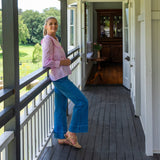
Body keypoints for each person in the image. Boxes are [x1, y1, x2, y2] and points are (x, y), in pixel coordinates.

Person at [42, 17, 88, 149]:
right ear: (46, 27)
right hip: (58, 78)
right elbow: (46, 62)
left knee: (61, 108)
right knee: (82, 102)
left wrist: (64, 60)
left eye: (55, 24)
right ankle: (71, 133)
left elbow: (55, 58)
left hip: (61, 76)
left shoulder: (55, 39)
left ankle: (61, 137)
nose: (53, 26)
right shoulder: (47, 40)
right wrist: (63, 62)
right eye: (50, 24)